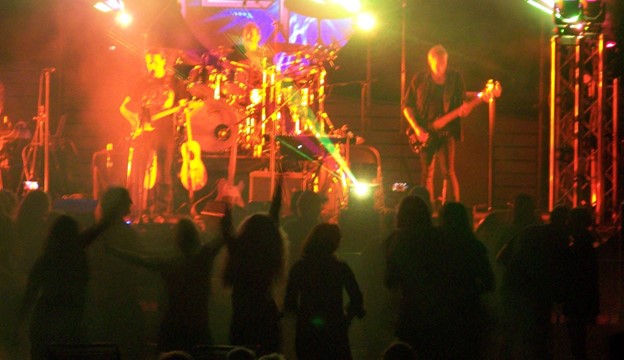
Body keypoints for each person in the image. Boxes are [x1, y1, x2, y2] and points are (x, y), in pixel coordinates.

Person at [106, 217, 225, 354]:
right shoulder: (203, 257)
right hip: (198, 320)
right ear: (195, 236)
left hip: (173, 321)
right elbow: (220, 240)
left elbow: (140, 260)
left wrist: (115, 251)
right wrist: (226, 222)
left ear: (177, 239)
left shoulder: (170, 263)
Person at [284, 223, 365, 360]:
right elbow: (357, 298)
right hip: (335, 330)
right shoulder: (340, 267)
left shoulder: (300, 268)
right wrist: (346, 318)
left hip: (307, 332)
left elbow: (289, 302)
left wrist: (302, 318)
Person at [402, 45, 471, 207]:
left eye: (444, 63)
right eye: (437, 64)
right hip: (424, 133)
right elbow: (407, 106)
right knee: (427, 174)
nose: (441, 67)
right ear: (429, 62)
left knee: (449, 171)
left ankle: (453, 209)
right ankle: (426, 209)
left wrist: (466, 109)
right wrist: (417, 128)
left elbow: (462, 101)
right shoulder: (419, 79)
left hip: (447, 133)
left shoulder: (455, 79)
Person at [222, 181, 285, 356]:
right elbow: (274, 218)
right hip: (265, 313)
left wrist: (227, 203)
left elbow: (226, 228)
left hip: (242, 315)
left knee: (241, 352)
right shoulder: (270, 253)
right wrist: (279, 185)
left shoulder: (239, 251)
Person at [120, 48, 181, 221]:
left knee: (163, 171)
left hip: (165, 133)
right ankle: (141, 208)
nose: (151, 65)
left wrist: (183, 109)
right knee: (141, 171)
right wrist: (134, 121)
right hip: (144, 133)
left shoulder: (174, 82)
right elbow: (124, 106)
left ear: (163, 61)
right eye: (148, 61)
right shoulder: (142, 83)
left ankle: (162, 211)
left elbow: (183, 105)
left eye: (154, 61)